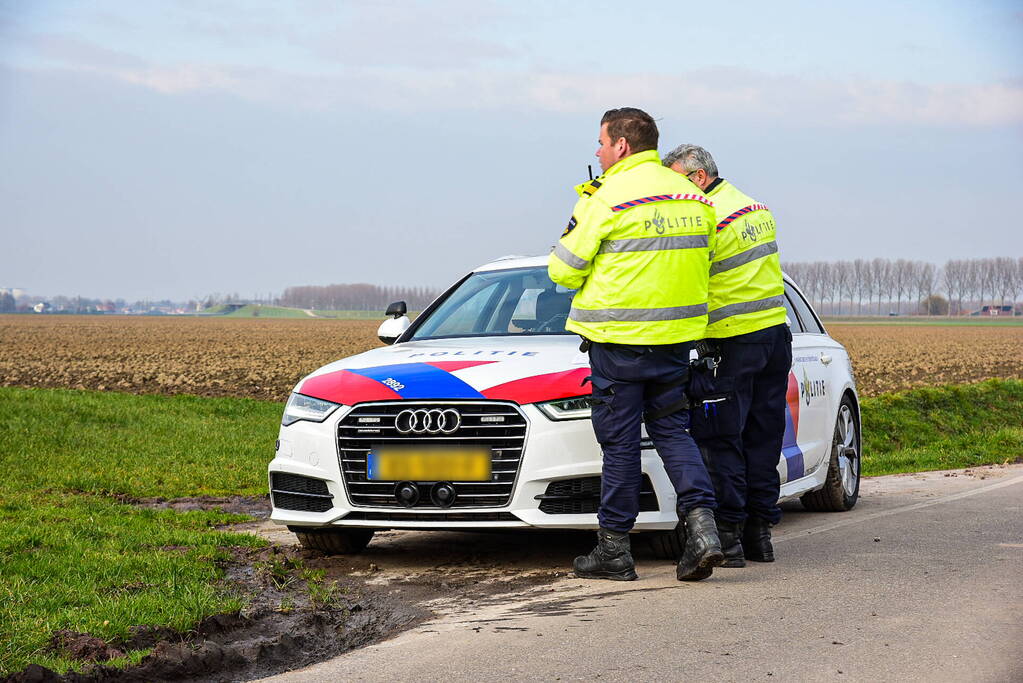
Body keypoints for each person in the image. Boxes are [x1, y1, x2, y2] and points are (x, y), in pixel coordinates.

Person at [548, 109, 723, 582]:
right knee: (673, 433)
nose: (598, 153)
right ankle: (705, 532)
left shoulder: (607, 198)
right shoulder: (696, 198)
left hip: (619, 345)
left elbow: (562, 270)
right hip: (674, 344)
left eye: (601, 144)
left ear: (622, 145)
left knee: (620, 444)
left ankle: (614, 550)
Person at [662, 143, 792, 566]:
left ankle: (730, 538)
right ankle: (760, 534)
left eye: (677, 182)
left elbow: (685, 279)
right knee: (763, 437)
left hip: (729, 343)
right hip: (773, 336)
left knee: (721, 442)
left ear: (699, 177)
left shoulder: (709, 217)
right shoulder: (754, 208)